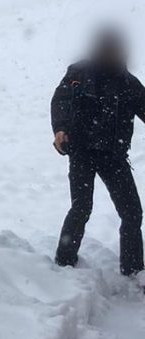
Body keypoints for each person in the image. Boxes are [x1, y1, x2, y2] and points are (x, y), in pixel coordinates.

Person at [52, 28, 145, 278]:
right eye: (107, 49)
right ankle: (64, 263)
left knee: (132, 213)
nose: (111, 54)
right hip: (81, 152)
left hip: (113, 156)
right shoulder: (78, 73)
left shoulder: (129, 84)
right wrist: (60, 129)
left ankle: (134, 270)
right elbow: (60, 101)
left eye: (115, 50)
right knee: (81, 208)